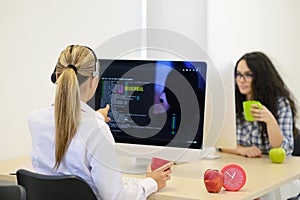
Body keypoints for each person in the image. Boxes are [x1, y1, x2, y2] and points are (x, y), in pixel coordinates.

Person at [28, 44, 173, 200]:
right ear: (93, 81)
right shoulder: (97, 131)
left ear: (57, 77)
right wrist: (151, 183)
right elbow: (115, 197)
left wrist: (96, 118)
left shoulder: (36, 120)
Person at [221, 51, 298, 158]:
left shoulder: (280, 103)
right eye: (238, 74)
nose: (241, 80)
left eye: (248, 75)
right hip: (242, 163)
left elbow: (283, 148)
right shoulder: (232, 101)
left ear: (261, 78)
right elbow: (221, 143)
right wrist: (241, 150)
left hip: (271, 167)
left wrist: (270, 120)